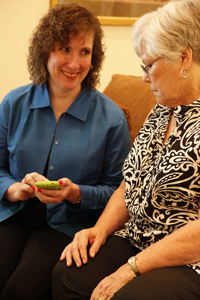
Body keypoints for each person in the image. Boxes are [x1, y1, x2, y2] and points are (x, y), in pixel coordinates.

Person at [52, 1, 200, 299]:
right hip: (138, 236)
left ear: (184, 57)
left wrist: (131, 268)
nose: (145, 77)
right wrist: (100, 229)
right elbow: (131, 182)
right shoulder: (161, 111)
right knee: (69, 273)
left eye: (149, 65)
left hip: (188, 256)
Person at [0, 3, 131, 300]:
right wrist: (14, 190)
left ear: (94, 57)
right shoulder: (13, 103)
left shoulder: (111, 119)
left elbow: (119, 192)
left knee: (20, 291)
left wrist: (76, 194)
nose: (74, 63)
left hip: (67, 226)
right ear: (45, 51)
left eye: (84, 51)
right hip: (11, 214)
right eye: (64, 49)